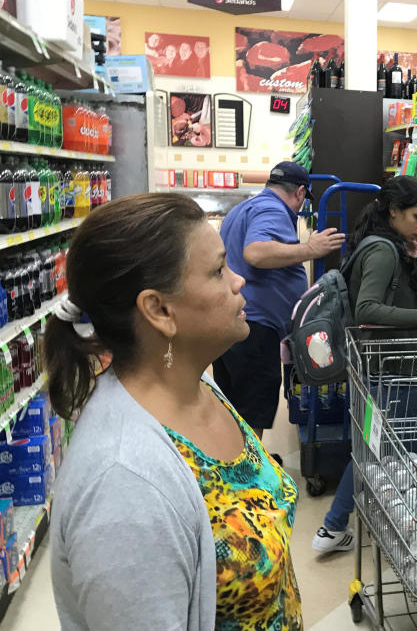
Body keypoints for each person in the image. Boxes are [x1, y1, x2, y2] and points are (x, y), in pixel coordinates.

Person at [48, 194, 302, 630]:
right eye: (219, 270)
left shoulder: (195, 383)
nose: (238, 282)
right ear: (159, 310)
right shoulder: (124, 489)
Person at [312, 175, 417, 555]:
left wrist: (413, 259)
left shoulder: (391, 245)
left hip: (393, 365)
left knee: (406, 447)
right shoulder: (381, 251)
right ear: (393, 212)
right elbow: (368, 309)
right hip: (385, 369)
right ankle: (335, 526)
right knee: (378, 450)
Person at [215, 161, 345, 453]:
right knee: (252, 407)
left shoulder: (243, 209)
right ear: (300, 192)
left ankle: (239, 460)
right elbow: (256, 252)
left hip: (233, 323)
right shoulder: (273, 209)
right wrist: (310, 249)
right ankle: (251, 477)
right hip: (254, 327)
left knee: (233, 405)